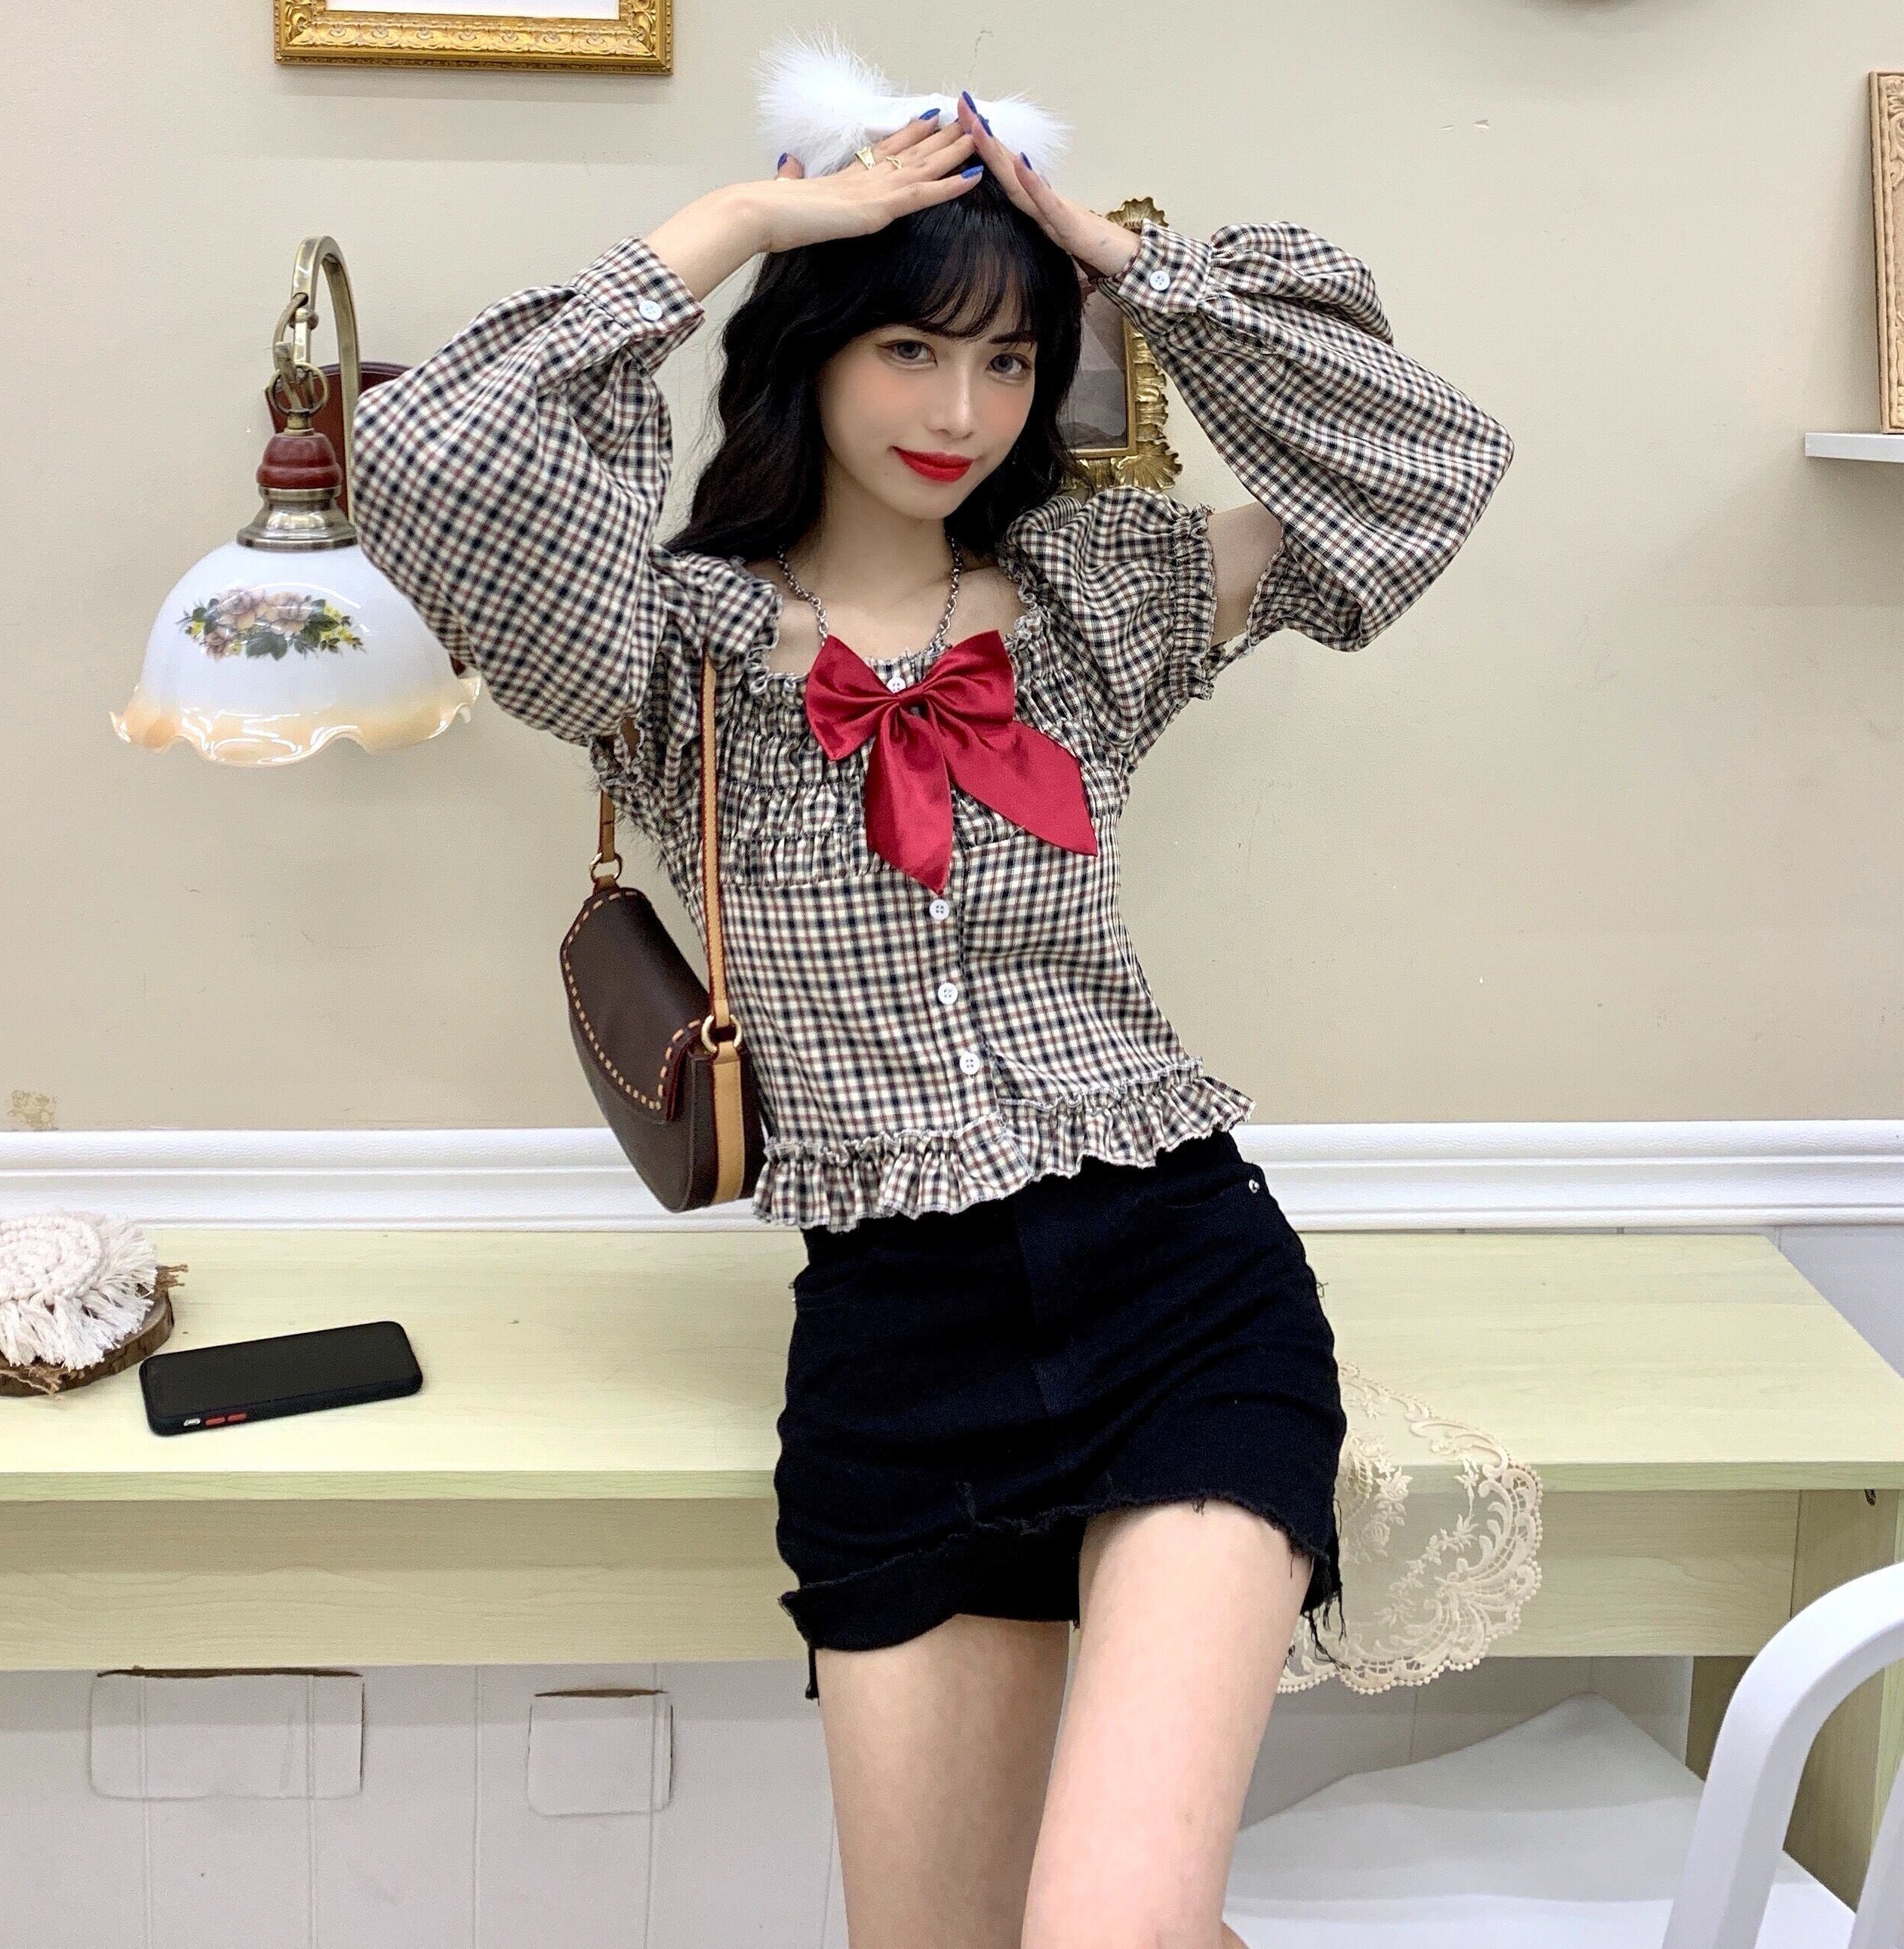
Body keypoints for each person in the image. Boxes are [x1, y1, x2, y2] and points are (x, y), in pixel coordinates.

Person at [349, 89, 1515, 1949]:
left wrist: (1122, 262)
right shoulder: (662, 653)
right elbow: (422, 457)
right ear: (813, 345)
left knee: (1109, 1931)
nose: (960, 410)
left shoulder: (1097, 605)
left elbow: (1423, 466)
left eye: (1006, 358)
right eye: (908, 345)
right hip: (896, 1353)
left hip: (1176, 1291)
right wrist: (741, 220)